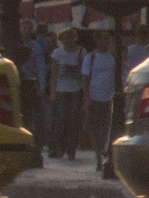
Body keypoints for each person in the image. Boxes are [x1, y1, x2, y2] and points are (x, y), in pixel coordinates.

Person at [81, 30, 117, 168]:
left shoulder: (113, 56)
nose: (107, 41)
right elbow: (85, 78)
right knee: (92, 128)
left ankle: (105, 152)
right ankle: (98, 157)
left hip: (109, 98)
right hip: (94, 97)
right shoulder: (90, 58)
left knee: (107, 128)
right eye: (104, 38)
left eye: (108, 38)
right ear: (97, 40)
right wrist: (87, 98)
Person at [49, 25, 84, 159]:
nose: (67, 40)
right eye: (65, 37)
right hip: (61, 89)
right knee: (62, 119)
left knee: (74, 120)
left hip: (76, 89)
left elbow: (84, 71)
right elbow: (54, 73)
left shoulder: (81, 52)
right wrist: (53, 92)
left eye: (70, 37)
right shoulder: (58, 53)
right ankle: (60, 147)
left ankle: (71, 149)